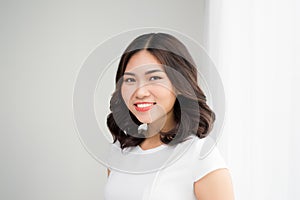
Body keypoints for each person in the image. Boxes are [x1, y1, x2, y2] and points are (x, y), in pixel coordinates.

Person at [104, 32, 234, 200]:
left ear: (179, 84)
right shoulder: (120, 151)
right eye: (130, 80)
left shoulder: (199, 154)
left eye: (154, 77)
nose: (140, 92)